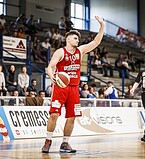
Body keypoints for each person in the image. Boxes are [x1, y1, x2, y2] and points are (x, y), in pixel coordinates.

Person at [41, 16, 104, 153]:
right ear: (68, 39)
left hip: (74, 88)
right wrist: (53, 78)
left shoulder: (80, 51)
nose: (77, 40)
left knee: (72, 117)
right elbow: (50, 67)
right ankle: (48, 140)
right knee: (54, 115)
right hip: (60, 87)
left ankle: (65, 143)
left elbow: (96, 42)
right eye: (75, 38)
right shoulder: (60, 52)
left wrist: (102, 26)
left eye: (78, 38)